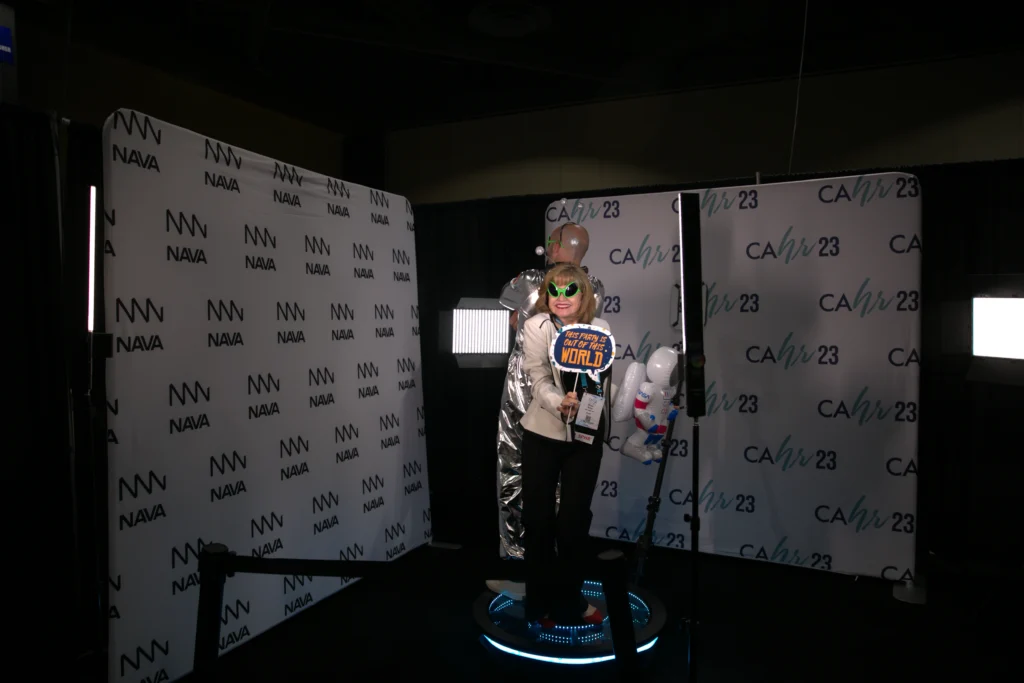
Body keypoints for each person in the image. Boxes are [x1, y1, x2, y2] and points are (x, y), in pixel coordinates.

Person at [488, 223, 604, 600]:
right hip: (530, 387)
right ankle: (529, 572)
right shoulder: (556, 288)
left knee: (553, 490)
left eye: (552, 241)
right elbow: (518, 326)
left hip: (556, 391)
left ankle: (549, 575)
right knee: (522, 478)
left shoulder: (585, 291)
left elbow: (513, 324)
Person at [519, 264, 617, 627]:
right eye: (554, 291)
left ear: (584, 295)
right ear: (547, 295)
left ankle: (570, 599)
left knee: (574, 522)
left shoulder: (601, 329)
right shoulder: (536, 327)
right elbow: (538, 375)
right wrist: (557, 401)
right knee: (539, 521)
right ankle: (538, 602)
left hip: (585, 439)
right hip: (542, 435)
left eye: (570, 290)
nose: (561, 299)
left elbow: (603, 383)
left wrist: (630, 406)